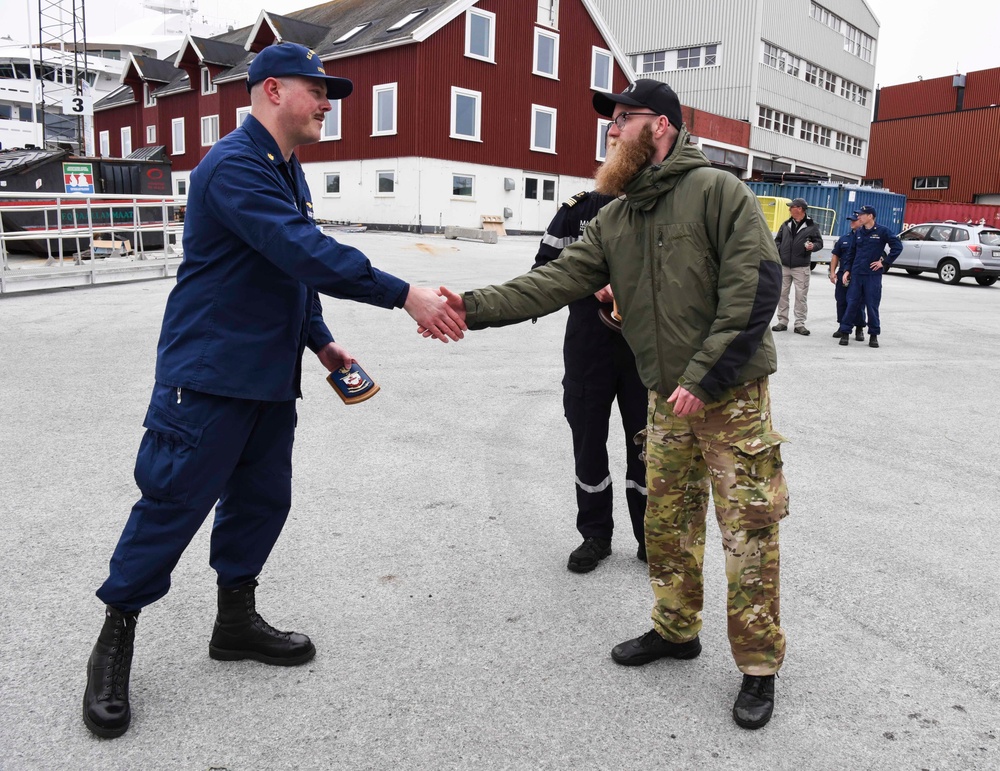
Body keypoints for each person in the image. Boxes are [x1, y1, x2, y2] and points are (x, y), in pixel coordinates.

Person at [82, 42, 465, 739]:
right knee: (172, 503)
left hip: (266, 377)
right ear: (269, 91)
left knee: (262, 501)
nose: (327, 102)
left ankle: (234, 623)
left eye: (329, 92)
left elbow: (287, 271)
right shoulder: (232, 165)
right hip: (207, 377)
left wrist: (321, 340)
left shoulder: (285, 167)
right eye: (316, 90)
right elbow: (300, 249)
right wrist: (404, 293)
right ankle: (113, 640)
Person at [431, 79, 789, 729]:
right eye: (611, 120)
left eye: (625, 118)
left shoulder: (717, 192)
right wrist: (470, 309)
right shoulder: (615, 219)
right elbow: (552, 280)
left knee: (748, 533)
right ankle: (677, 630)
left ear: (663, 127)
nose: (612, 129)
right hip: (666, 399)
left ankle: (758, 667)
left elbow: (755, 287)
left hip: (731, 397)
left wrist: (705, 377)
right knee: (667, 525)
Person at [533, 190, 648, 573]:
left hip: (646, 352)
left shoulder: (663, 207)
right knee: (588, 444)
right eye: (613, 138)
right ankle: (595, 535)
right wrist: (589, 284)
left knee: (650, 449)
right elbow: (543, 272)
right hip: (588, 350)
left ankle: (651, 538)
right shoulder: (576, 212)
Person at [836, 204, 903, 349]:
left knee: (872, 306)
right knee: (851, 303)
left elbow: (897, 246)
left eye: (862, 214)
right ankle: (845, 332)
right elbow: (851, 253)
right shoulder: (859, 232)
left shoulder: (882, 231)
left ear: (870, 216)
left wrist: (884, 263)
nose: (859, 217)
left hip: (872, 276)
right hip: (857, 274)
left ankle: (873, 335)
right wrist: (847, 270)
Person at [771, 198, 823, 336]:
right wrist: (780, 250)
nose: (789, 209)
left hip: (801, 267)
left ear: (799, 209)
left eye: (791, 207)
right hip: (784, 266)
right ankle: (782, 321)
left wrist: (813, 246)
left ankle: (799, 324)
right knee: (782, 294)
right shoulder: (786, 224)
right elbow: (777, 241)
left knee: (801, 296)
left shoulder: (812, 225)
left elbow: (819, 243)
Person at [829, 212, 866, 340]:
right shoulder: (844, 238)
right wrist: (832, 272)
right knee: (841, 301)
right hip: (843, 273)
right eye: (851, 220)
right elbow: (835, 255)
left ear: (861, 221)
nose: (851, 222)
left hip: (858, 275)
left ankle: (859, 328)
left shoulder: (866, 238)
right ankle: (842, 326)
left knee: (858, 303)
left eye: (854, 220)